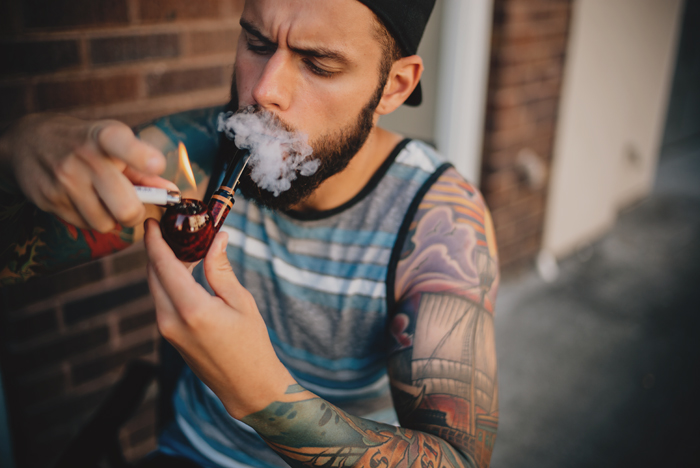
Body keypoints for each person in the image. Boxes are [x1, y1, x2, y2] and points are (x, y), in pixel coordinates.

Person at [0, 0, 500, 467]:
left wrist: (261, 395)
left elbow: (456, 457)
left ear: (394, 87)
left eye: (318, 64)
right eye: (257, 45)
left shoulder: (438, 222)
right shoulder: (198, 153)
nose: (264, 91)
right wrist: (13, 154)